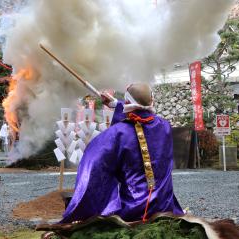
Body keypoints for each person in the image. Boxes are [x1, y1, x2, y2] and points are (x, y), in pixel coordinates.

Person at [60, 83, 183, 224]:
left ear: (128, 102)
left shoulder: (117, 133)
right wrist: (115, 104)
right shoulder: (165, 126)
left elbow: (93, 162)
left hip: (134, 210)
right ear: (152, 100)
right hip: (164, 206)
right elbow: (140, 115)